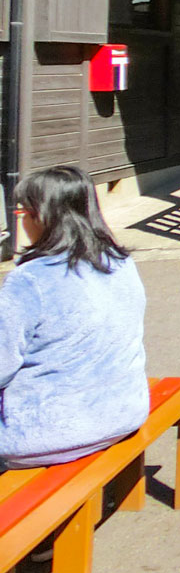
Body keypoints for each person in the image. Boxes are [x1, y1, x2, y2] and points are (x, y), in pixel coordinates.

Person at [0, 165, 148, 467]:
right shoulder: (119, 261)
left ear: (42, 216)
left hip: (45, 433)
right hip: (123, 411)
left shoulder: (30, 281)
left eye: (21, 213)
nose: (21, 222)